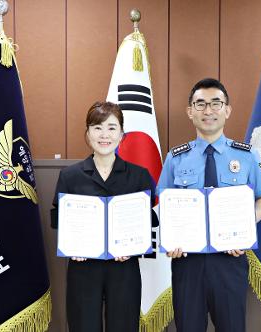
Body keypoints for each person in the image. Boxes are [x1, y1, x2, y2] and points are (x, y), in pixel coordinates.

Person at [157, 78, 261, 332]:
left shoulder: (247, 155)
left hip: (230, 258)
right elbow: (164, 205)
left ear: (227, 110)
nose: (208, 111)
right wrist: (170, 239)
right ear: (190, 111)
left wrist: (243, 228)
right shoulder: (175, 158)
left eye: (215, 103)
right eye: (200, 104)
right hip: (187, 261)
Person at [51, 101, 156, 332]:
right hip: (84, 267)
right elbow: (58, 217)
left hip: (124, 267)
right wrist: (72, 246)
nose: (104, 135)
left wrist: (134, 245)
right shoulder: (70, 176)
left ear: (122, 135)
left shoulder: (139, 176)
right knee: (83, 326)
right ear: (88, 134)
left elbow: (149, 220)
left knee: (124, 326)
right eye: (97, 128)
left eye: (111, 128)